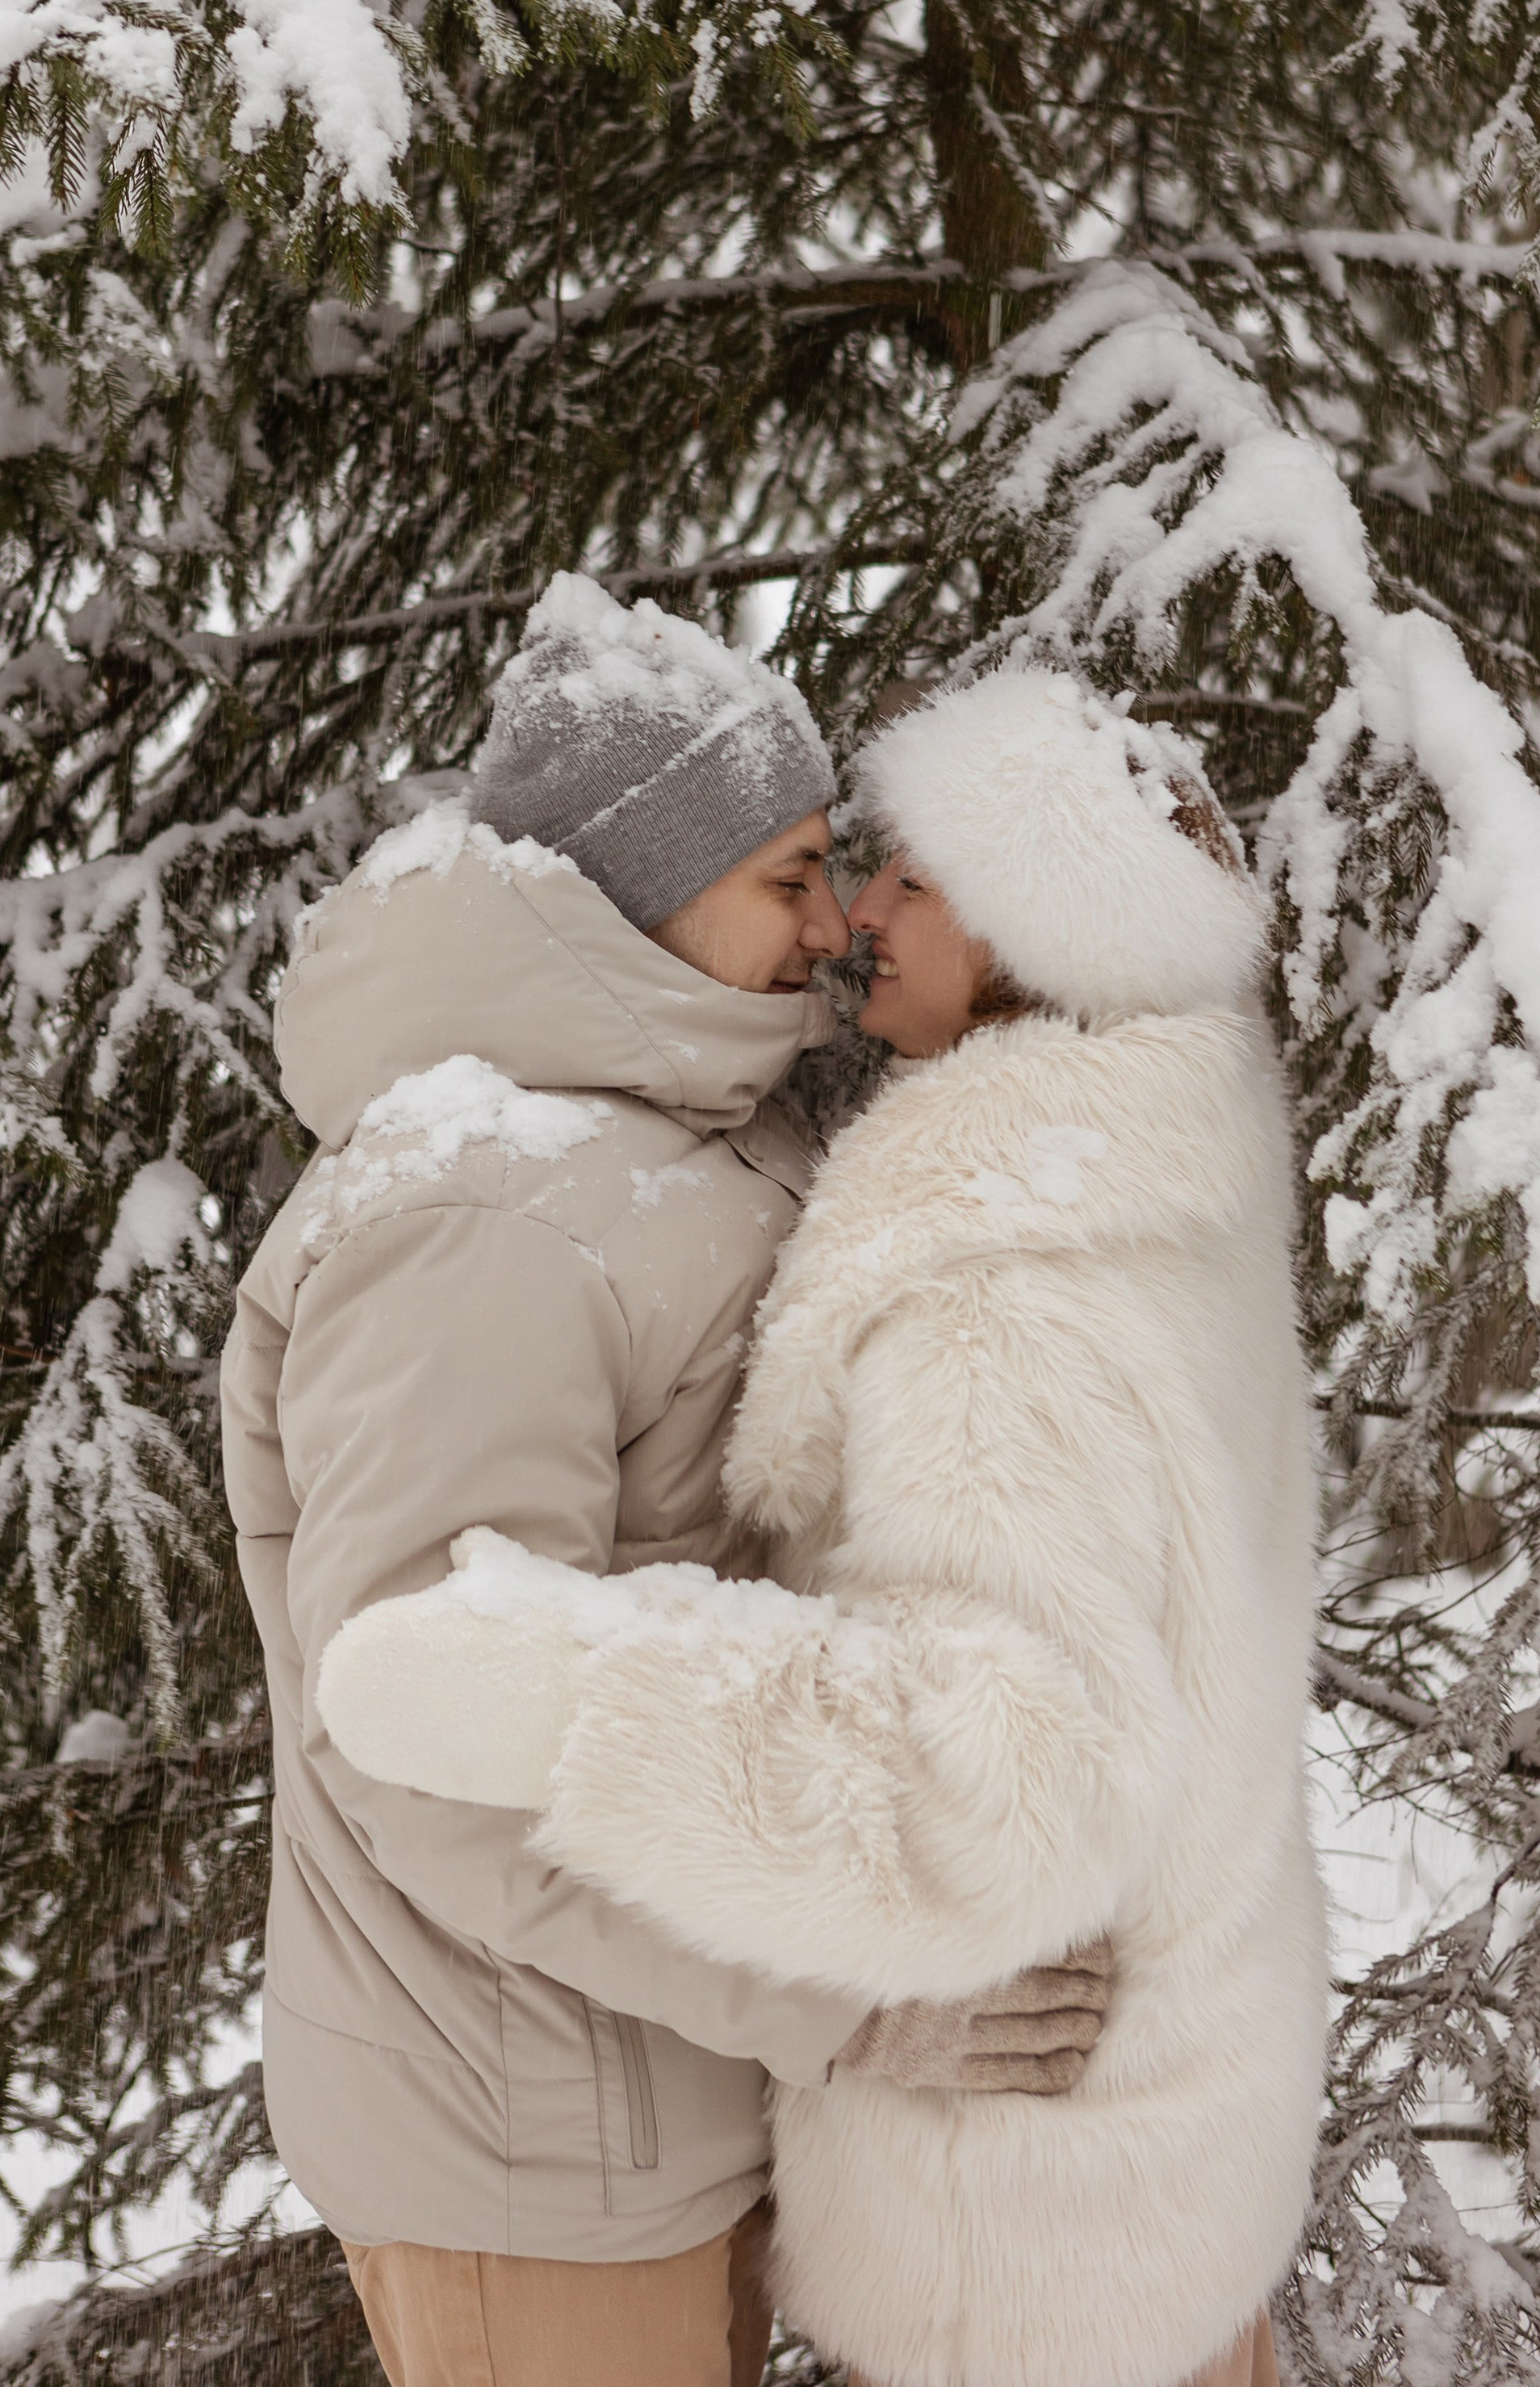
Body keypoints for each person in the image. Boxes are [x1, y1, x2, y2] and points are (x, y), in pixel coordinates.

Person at [320, 664, 1330, 2387]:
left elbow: (996, 1781)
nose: (857, 916)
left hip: (1033, 2210)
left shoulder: (1001, 1296)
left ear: (1042, 939)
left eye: (911, 883)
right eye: (834, 873)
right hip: (1141, 2142)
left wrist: (562, 1696)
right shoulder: (1142, 1186)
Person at [220, 585, 1107, 2387]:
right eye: (786, 878)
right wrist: (852, 1997)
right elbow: (433, 1745)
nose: (825, 931)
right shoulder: (477, 1213)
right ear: (645, 881)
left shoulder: (679, 1128)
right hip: (529, 2140)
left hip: (662, 2083)